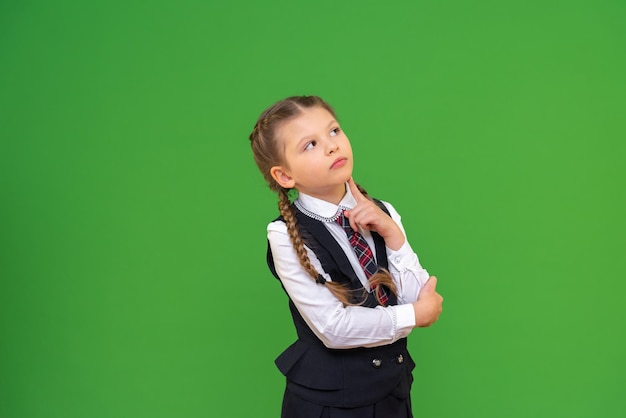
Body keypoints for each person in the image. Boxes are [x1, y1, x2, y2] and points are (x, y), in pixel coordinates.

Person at [249, 95, 443, 418]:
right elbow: (333, 327)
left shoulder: (383, 212)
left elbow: (417, 295)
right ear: (284, 176)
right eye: (309, 145)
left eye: (334, 131)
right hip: (330, 407)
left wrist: (393, 235)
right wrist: (412, 316)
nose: (331, 146)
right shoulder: (284, 235)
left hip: (392, 398)